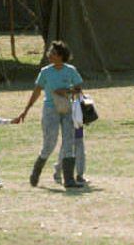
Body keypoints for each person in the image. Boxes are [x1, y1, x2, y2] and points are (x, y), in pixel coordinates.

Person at [16, 40, 84, 189]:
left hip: (67, 109)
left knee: (69, 142)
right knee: (49, 143)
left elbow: (79, 88)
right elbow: (37, 91)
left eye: (53, 53)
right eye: (50, 52)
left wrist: (67, 91)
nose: (50, 55)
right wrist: (26, 110)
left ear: (61, 56)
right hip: (50, 110)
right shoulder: (45, 72)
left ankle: (69, 180)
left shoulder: (70, 70)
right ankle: (36, 172)